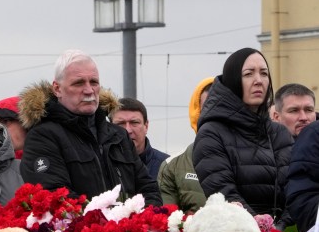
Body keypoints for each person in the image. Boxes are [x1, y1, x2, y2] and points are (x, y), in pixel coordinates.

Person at [19, 50, 161, 205]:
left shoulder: (118, 135)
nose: (89, 90)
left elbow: (148, 189)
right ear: (57, 89)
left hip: (130, 228)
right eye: (78, 83)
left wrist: (140, 221)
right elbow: (54, 197)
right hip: (80, 228)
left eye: (94, 82)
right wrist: (110, 220)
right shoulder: (42, 137)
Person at [193, 47, 292, 222]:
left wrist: (281, 229)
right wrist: (259, 227)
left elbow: (294, 189)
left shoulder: (279, 132)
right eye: (248, 74)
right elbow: (223, 193)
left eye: (264, 73)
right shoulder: (211, 133)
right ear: (233, 80)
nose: (258, 81)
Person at [158, 78, 213, 214]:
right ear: (197, 113)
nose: (216, 113)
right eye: (208, 107)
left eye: (223, 107)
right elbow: (170, 225)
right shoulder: (172, 166)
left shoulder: (252, 162)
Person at [111, 97, 169, 180]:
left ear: (146, 126)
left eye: (134, 122)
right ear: (109, 128)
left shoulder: (168, 166)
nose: (128, 130)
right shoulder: (101, 166)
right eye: (120, 123)